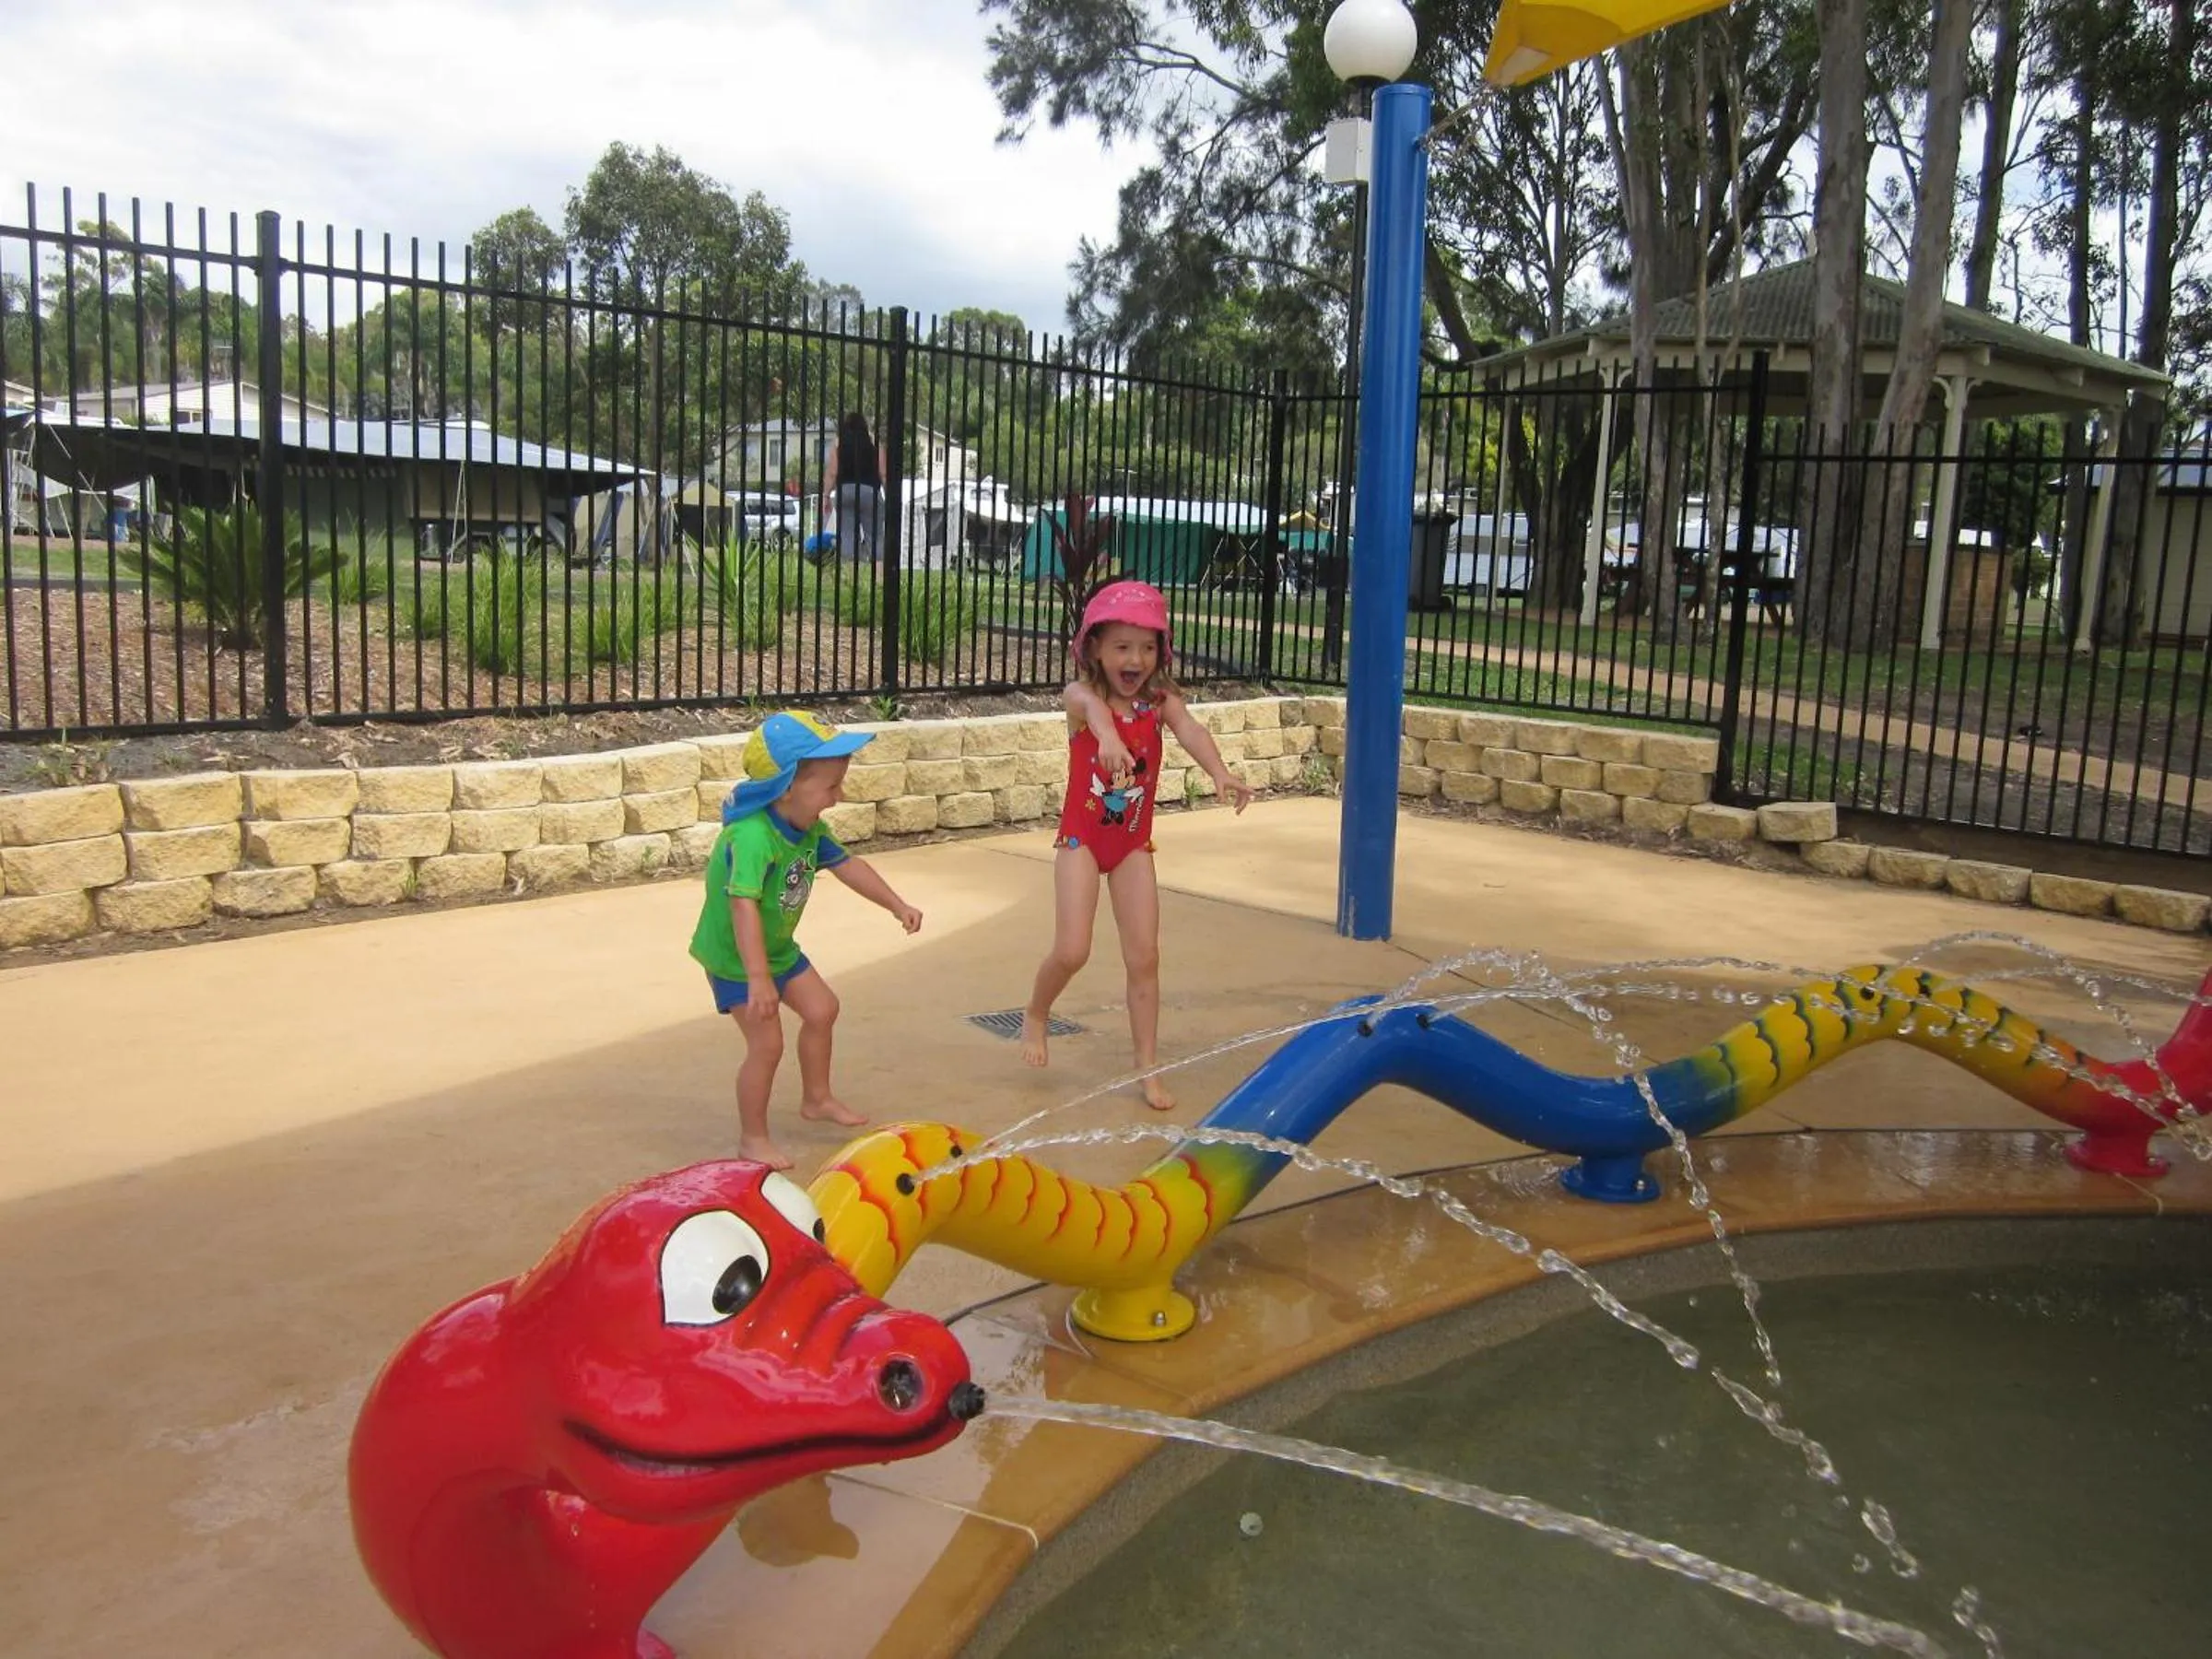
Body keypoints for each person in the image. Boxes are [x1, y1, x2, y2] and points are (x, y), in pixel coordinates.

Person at [1021, 581, 1254, 1111]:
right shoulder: (1081, 698)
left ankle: (1148, 1068)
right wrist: (1104, 735)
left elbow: (1191, 729)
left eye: (1148, 647)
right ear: (1096, 649)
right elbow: (1094, 712)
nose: (1137, 658)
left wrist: (1219, 773)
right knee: (1073, 949)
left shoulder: (1161, 702)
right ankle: (1037, 1012)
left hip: (1130, 846)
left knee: (1145, 957)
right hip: (1081, 840)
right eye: (1123, 646)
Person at [690, 711, 924, 1170]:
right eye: (831, 787)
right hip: (737, 960)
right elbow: (743, 907)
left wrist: (896, 904)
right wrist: (759, 980)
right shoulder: (754, 837)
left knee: (823, 1009)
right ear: (786, 787)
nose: (839, 796)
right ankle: (752, 1138)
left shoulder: (809, 828)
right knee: (767, 1045)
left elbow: (848, 866)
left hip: (776, 950)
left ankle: (817, 1099)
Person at [821, 410, 886, 563]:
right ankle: (880, 576)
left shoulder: (838, 443)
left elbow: (832, 472)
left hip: (845, 491)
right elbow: (883, 473)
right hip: (870, 492)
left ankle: (851, 576)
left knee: (847, 536)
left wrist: (825, 495)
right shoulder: (874, 442)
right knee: (875, 536)